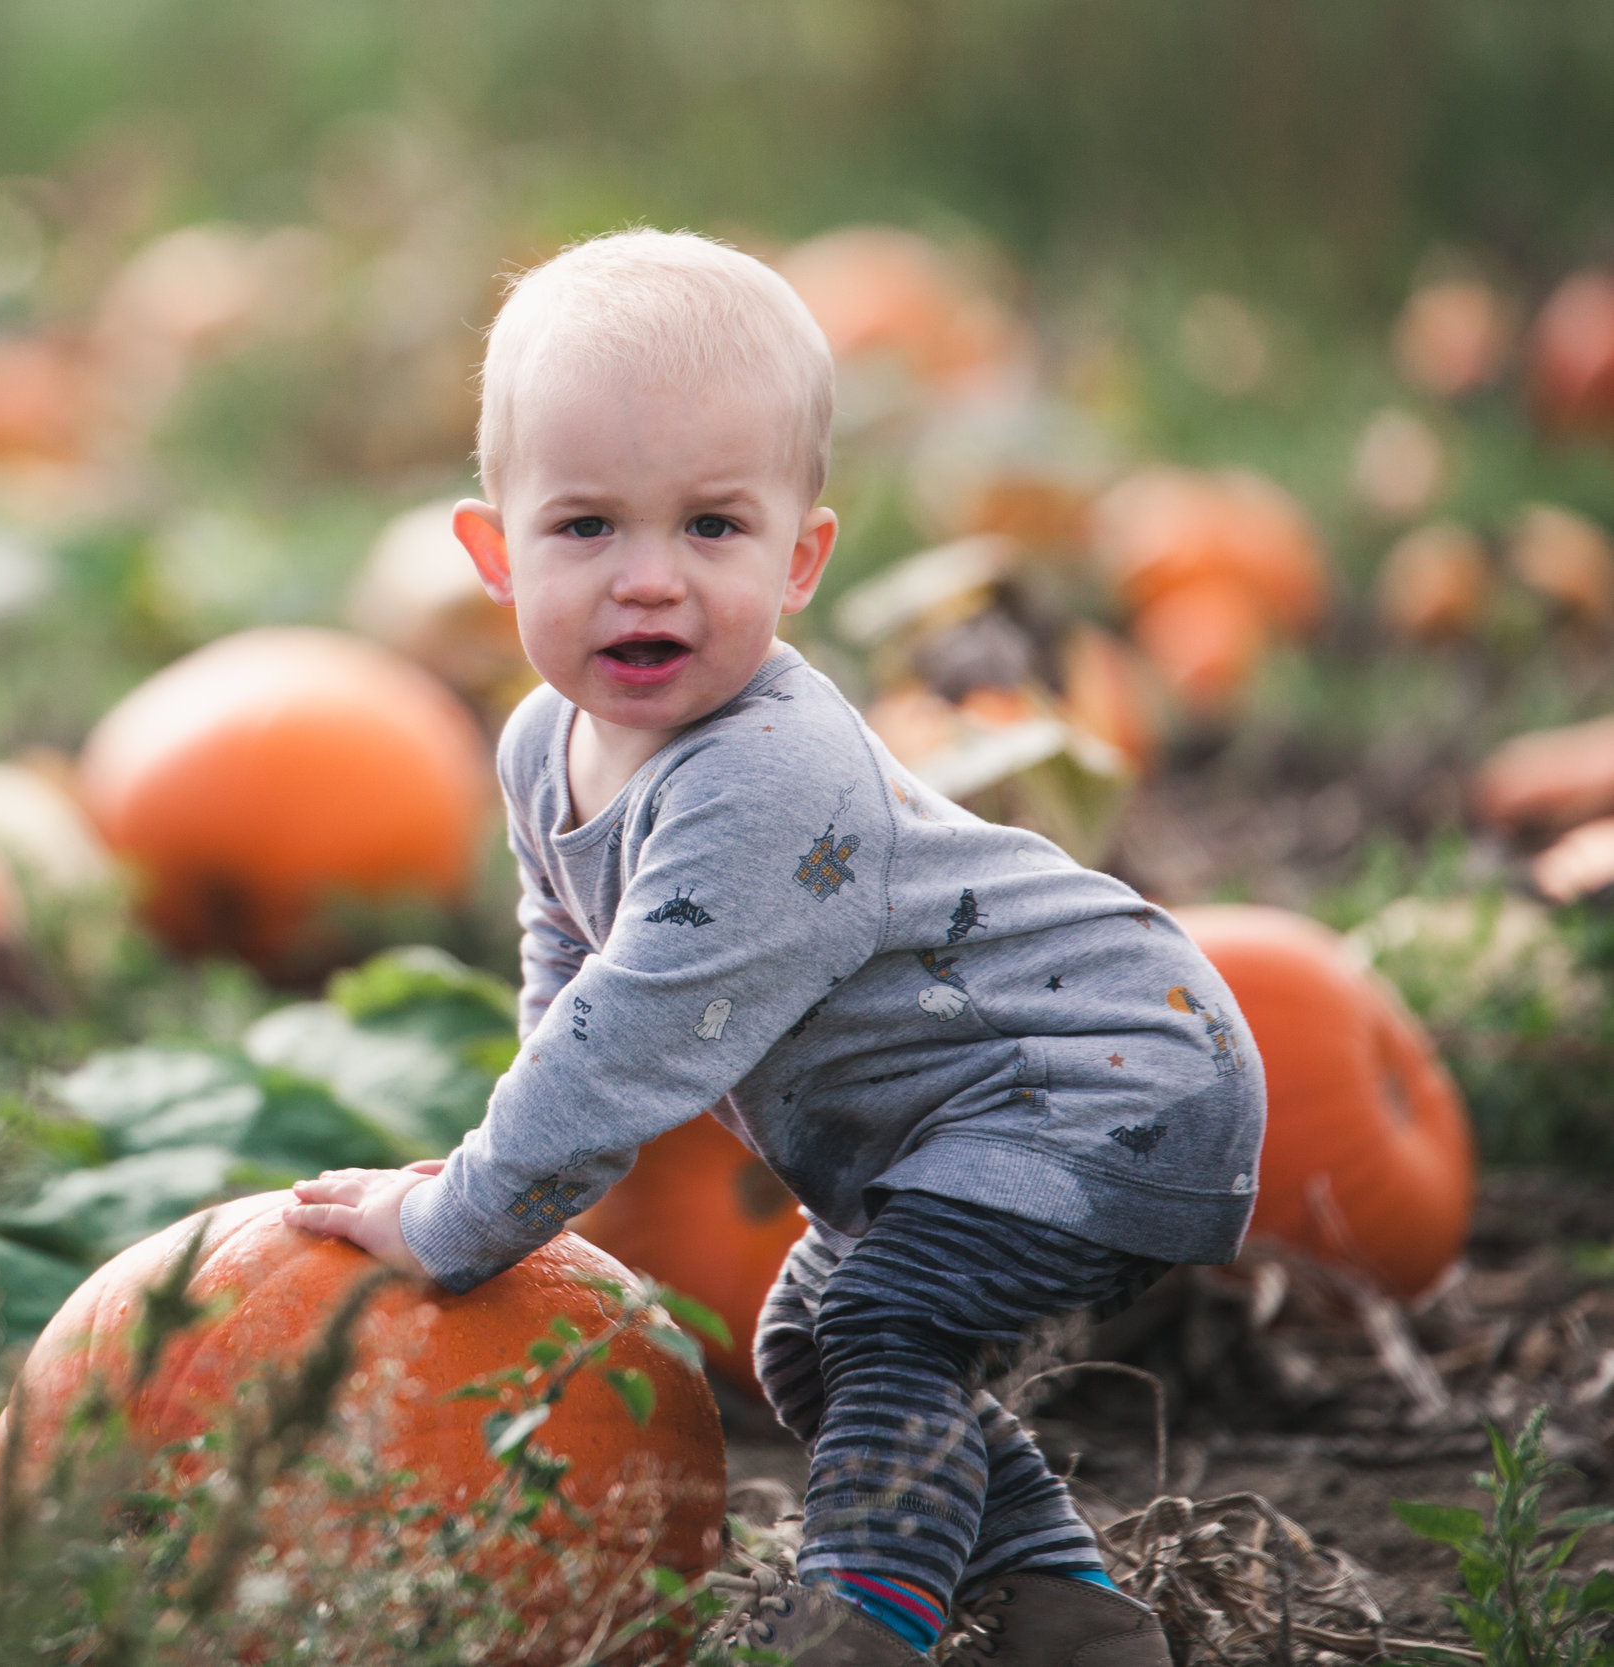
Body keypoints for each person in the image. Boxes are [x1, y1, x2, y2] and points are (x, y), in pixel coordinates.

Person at [282, 228, 1265, 1667]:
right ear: (492, 554)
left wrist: (459, 1220)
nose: (649, 582)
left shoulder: (761, 779)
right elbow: (569, 969)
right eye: (586, 528)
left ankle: (857, 1622)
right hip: (962, 1123)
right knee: (809, 1343)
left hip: (1107, 1074)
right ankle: (1070, 1612)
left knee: (884, 1318)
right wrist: (510, 1170)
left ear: (802, 559)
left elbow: (630, 1037)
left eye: (713, 529)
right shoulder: (543, 743)